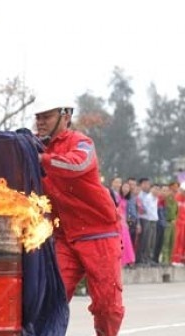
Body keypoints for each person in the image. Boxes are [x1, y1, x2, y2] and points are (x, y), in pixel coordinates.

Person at [35, 105, 124, 336]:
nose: (41, 121)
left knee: (106, 304)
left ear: (65, 117)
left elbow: (78, 164)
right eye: (38, 117)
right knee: (51, 299)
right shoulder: (34, 146)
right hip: (65, 237)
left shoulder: (81, 142)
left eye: (46, 116)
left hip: (99, 233)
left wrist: (43, 159)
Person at [137, 178, 158, 265]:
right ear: (141, 185)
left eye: (148, 184)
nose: (146, 185)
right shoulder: (140, 195)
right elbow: (141, 209)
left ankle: (147, 258)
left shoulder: (151, 196)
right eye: (144, 184)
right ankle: (141, 258)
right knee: (143, 240)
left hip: (152, 219)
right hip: (144, 219)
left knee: (150, 241)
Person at [161, 182, 178, 264]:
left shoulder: (175, 200)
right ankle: (165, 259)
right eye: (170, 190)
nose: (172, 192)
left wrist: (175, 219)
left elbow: (176, 211)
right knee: (166, 242)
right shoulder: (164, 200)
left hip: (174, 223)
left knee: (172, 241)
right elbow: (165, 212)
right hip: (167, 222)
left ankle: (170, 259)